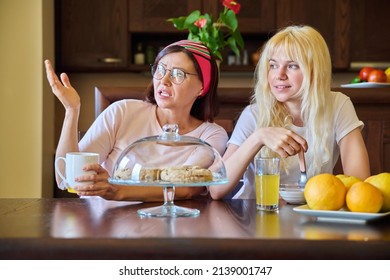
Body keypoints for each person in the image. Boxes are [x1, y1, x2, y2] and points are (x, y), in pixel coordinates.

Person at [45, 40, 228, 201]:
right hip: (105, 226)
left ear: (203, 87)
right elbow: (65, 180)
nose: (164, 80)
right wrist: (71, 110)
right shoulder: (122, 111)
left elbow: (186, 187)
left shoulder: (211, 135)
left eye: (178, 74)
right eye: (160, 70)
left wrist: (115, 190)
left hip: (172, 229)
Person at [210, 25, 370, 200]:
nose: (279, 75)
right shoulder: (254, 114)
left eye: (292, 66)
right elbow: (216, 190)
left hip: (311, 216)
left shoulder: (338, 105)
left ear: (315, 70)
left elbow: (359, 184)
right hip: (253, 216)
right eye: (273, 65)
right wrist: (259, 137)